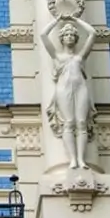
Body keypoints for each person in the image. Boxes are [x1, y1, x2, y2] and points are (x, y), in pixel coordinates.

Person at [39, 14, 97, 169]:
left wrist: (75, 19)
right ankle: (72, 159)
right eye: (66, 35)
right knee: (69, 122)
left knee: (82, 123)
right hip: (63, 89)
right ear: (62, 39)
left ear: (76, 38)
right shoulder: (58, 56)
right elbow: (43, 35)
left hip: (80, 88)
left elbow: (93, 34)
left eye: (72, 35)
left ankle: (81, 160)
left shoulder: (80, 57)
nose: (70, 37)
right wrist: (58, 19)